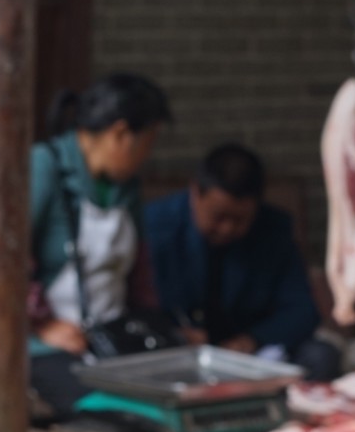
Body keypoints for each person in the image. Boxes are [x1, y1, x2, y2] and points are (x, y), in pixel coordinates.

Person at [29, 72, 173, 432]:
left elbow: (139, 273)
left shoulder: (123, 185)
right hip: (40, 345)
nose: (145, 156)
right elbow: (3, 260)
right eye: (147, 142)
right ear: (119, 134)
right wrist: (41, 324)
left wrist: (162, 332)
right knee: (95, 406)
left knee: (166, 390)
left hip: (110, 336)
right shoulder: (44, 169)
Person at [144, 144, 341, 382]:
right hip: (177, 350)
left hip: (250, 352)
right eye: (218, 217)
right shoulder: (155, 227)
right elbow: (135, 306)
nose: (227, 228)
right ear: (195, 193)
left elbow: (302, 310)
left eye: (239, 220)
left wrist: (251, 340)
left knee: (321, 356)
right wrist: (174, 335)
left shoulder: (274, 230)